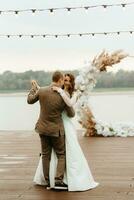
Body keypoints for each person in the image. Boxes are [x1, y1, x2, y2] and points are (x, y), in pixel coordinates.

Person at [33, 73, 99, 191]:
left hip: (66, 124)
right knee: (52, 153)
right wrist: (38, 88)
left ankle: (65, 178)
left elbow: (70, 106)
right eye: (64, 80)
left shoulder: (72, 93)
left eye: (68, 80)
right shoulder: (57, 92)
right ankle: (53, 179)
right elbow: (45, 93)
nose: (66, 82)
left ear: (71, 82)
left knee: (69, 150)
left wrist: (60, 91)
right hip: (56, 125)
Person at [27, 71, 75, 190]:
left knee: (45, 155)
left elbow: (30, 100)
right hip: (56, 130)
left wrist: (33, 89)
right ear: (59, 80)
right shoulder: (63, 94)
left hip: (42, 129)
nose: (63, 81)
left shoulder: (42, 90)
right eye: (63, 80)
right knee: (61, 154)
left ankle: (47, 181)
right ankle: (58, 180)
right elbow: (71, 114)